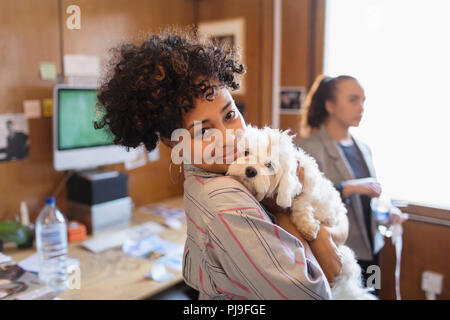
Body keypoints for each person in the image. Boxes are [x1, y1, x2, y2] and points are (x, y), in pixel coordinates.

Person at [94, 27, 347, 299]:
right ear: (172, 142)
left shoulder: (218, 170)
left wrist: (321, 233)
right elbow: (314, 295)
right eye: (204, 132)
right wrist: (286, 211)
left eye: (230, 114)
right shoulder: (227, 203)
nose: (228, 138)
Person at [296, 75, 408, 295]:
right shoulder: (307, 149)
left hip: (372, 250)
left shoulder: (364, 148)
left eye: (363, 101)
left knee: (371, 293)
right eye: (353, 100)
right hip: (339, 253)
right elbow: (304, 201)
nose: (361, 107)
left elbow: (370, 201)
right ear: (330, 106)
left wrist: (388, 214)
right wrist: (350, 187)